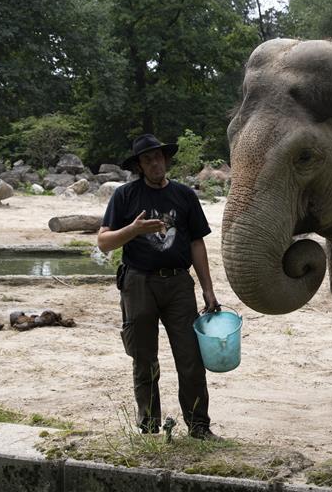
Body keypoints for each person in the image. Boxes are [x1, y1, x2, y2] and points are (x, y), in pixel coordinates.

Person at [97, 133, 221, 439]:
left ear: (166, 159)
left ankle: (199, 426)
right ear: (140, 165)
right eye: (148, 159)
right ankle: (149, 425)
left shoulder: (184, 196)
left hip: (179, 283)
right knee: (144, 358)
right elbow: (103, 242)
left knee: (190, 358)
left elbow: (196, 242)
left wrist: (208, 288)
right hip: (138, 283)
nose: (155, 163)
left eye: (159, 157)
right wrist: (133, 230)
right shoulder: (125, 196)